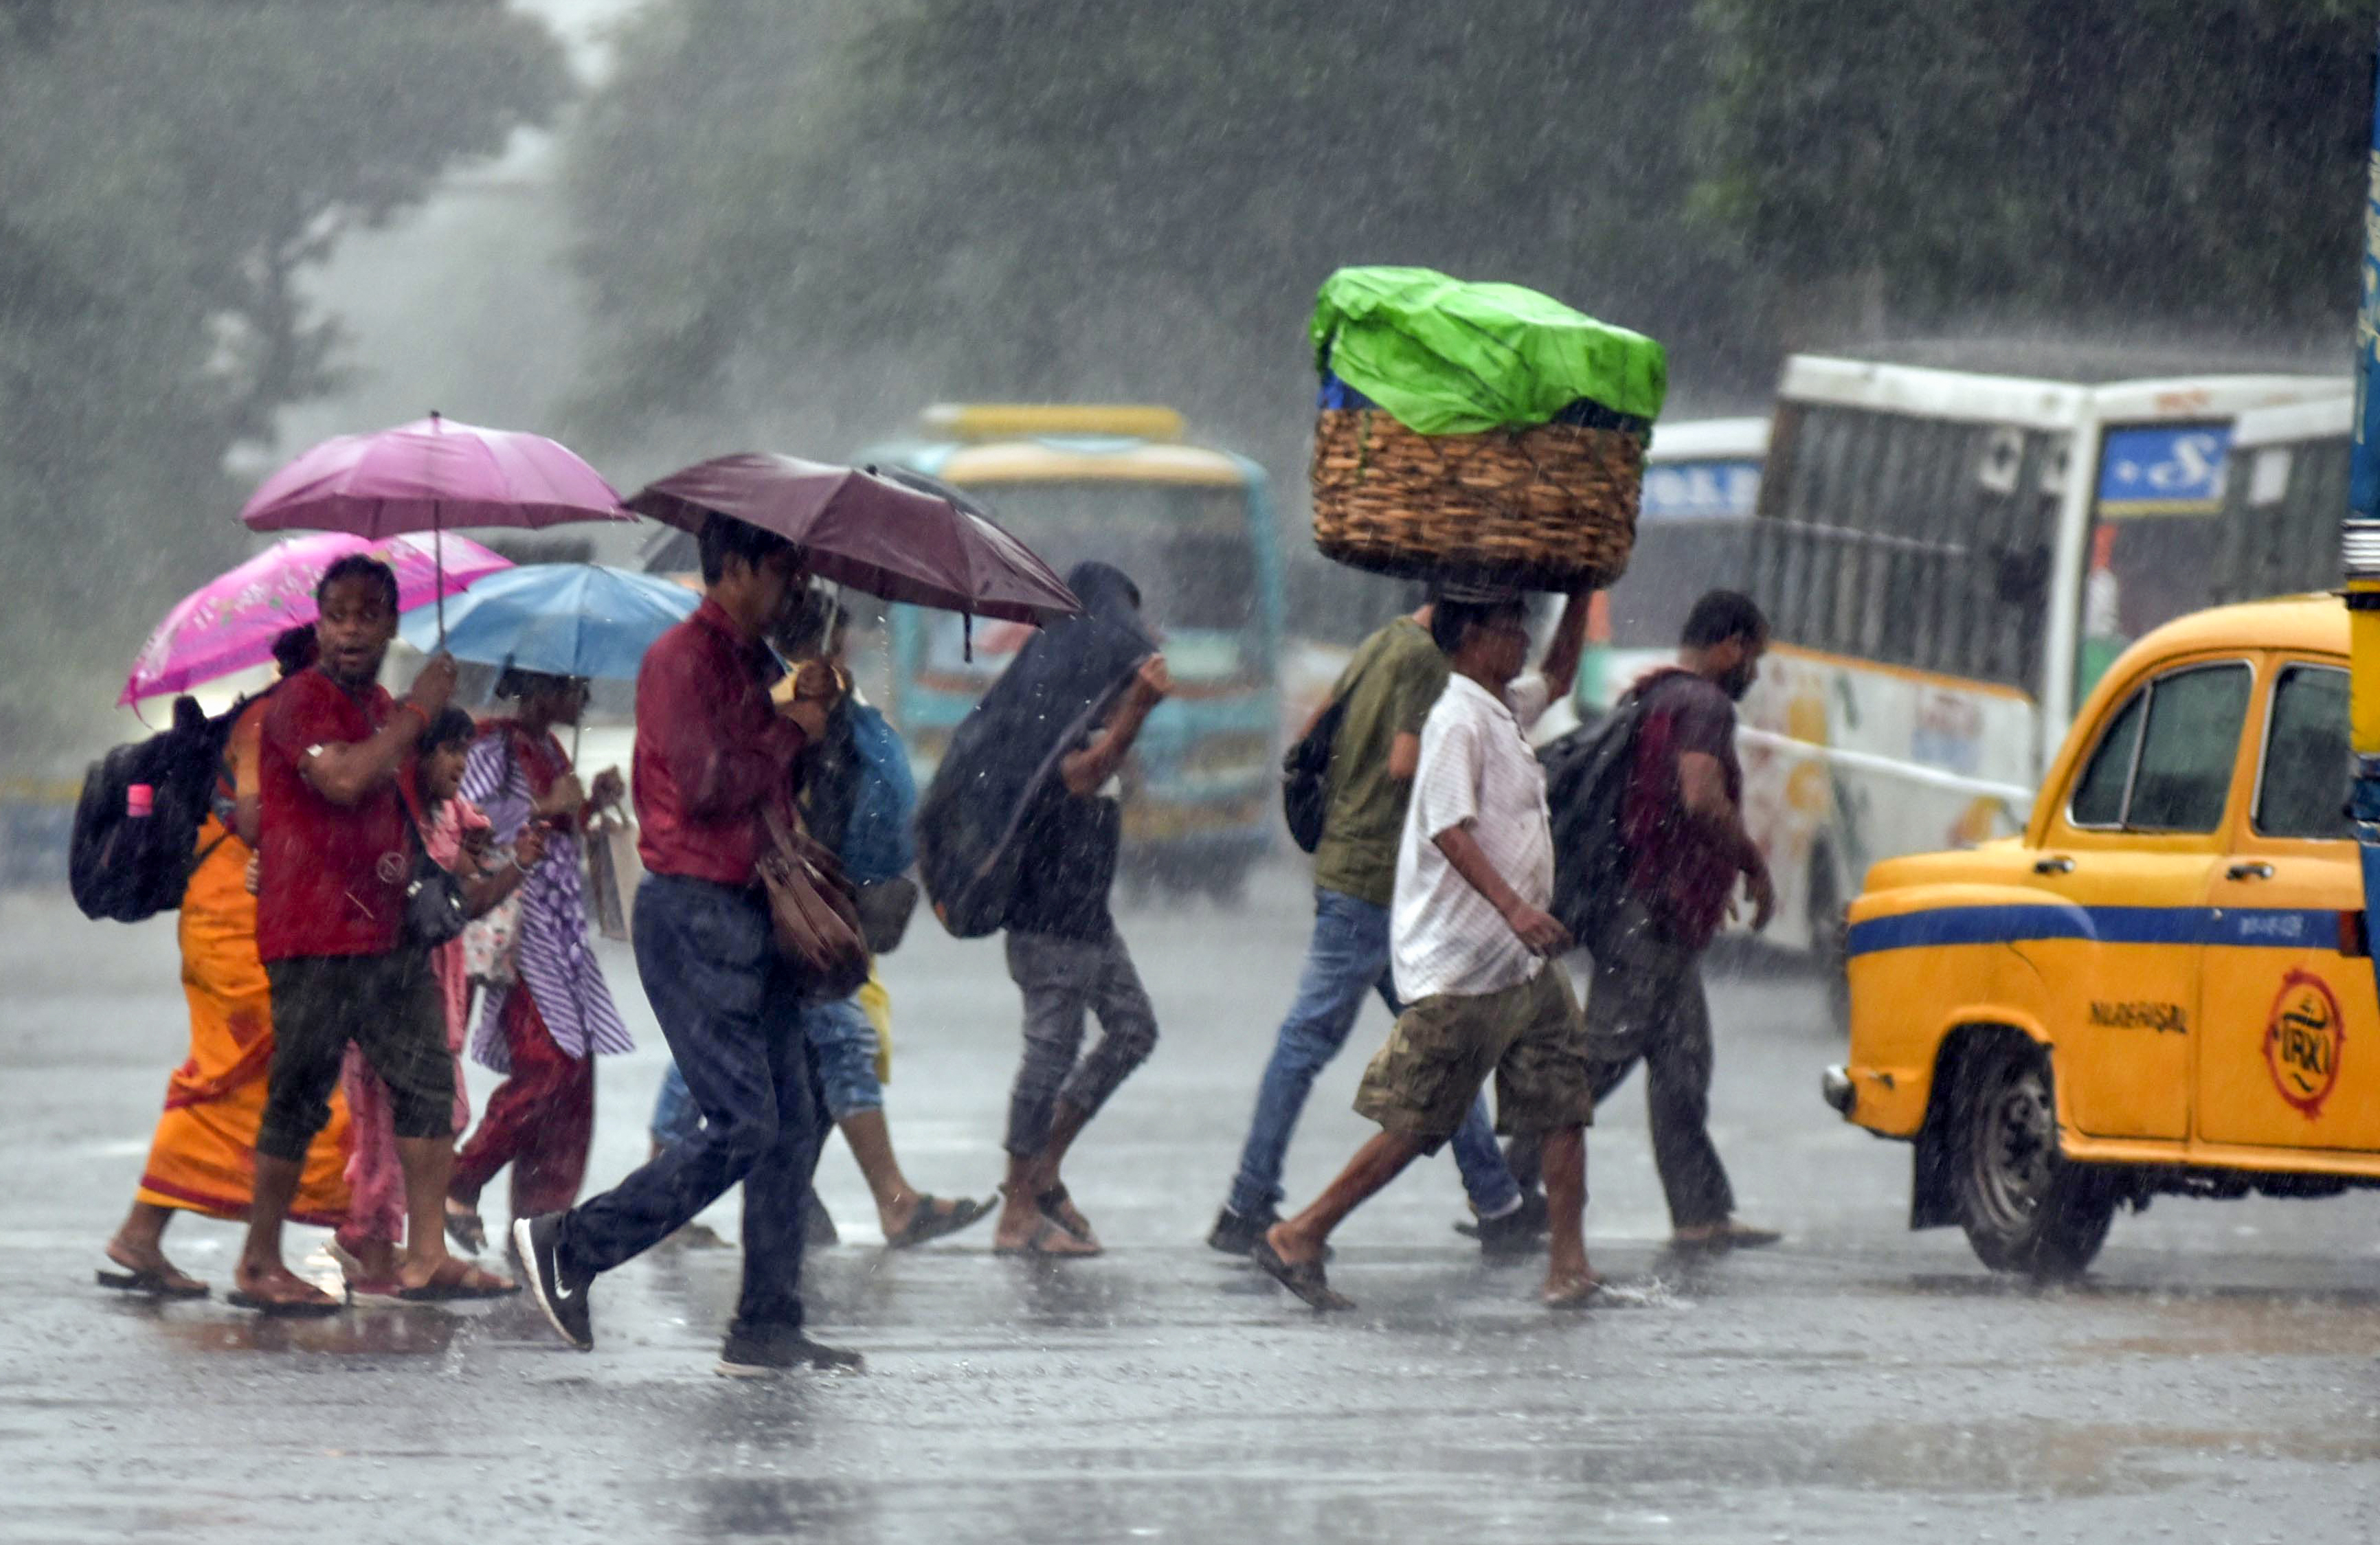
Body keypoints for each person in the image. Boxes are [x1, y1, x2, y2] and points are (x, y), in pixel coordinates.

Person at [514, 512, 862, 1377]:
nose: (791, 589)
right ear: (734, 567)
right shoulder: (680, 660)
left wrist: (816, 709)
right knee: (744, 1122)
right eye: (780, 571)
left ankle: (767, 1323)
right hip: (695, 914)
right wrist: (792, 729)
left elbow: (777, 778)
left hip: (755, 906)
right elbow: (709, 782)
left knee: (794, 1119)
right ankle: (571, 1245)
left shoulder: (752, 664)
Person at [1209, 587, 1589, 1260]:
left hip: (1379, 880)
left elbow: (1318, 729)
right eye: (1509, 621)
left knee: (1450, 1046)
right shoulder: (1429, 668)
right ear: (1466, 620)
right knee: (1321, 1041)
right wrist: (1473, 793)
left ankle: (1498, 1201)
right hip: (1374, 883)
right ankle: (1251, 1203)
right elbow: (1406, 764)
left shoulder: (1384, 642)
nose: (1521, 634)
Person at [647, 589, 990, 1249]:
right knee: (827, 1037)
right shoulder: (765, 710)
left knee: (734, 1040)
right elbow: (742, 799)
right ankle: (890, 1200)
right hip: (761, 907)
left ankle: (681, 1190)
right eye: (832, 647)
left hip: (795, 908)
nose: (841, 660)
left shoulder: (830, 719)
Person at [232, 556, 513, 1312]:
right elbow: (345, 777)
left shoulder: (382, 704)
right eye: (337, 615)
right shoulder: (300, 700)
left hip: (386, 932)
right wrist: (420, 712)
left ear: (392, 623)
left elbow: (400, 794)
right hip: (314, 934)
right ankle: (259, 1260)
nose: (351, 631)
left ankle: (426, 1255)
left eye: (366, 615)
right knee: (299, 1095)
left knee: (427, 1084)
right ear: (320, 623)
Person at [99, 625, 352, 1298]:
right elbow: (257, 819)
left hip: (254, 916)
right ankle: (351, 1237)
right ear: (308, 664)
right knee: (259, 1074)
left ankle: (145, 1233)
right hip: (235, 921)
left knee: (247, 1078)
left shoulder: (296, 719)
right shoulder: (270, 719)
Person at [1544, 589, 1783, 1252]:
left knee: (1682, 1064)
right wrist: (1751, 862)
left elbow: (1654, 807)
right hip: (1648, 917)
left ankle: (1700, 1213)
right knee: (1600, 1059)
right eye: (1753, 656)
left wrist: (1706, 873)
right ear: (1730, 646)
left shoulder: (1653, 695)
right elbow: (1700, 795)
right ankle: (1505, 1190)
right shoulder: (1705, 705)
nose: (1753, 672)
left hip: (1654, 911)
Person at [335, 708, 545, 1294]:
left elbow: (461, 905)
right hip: (387, 983)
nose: (460, 764)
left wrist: (517, 862)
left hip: (437, 988)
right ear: (415, 756)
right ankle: (376, 1247)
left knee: (439, 1113)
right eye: (448, 750)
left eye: (464, 751)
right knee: (383, 1124)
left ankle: (413, 1248)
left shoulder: (453, 817)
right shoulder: (392, 814)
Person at [442, 669, 634, 1254]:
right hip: (523, 935)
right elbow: (467, 821)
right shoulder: (494, 747)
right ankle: (462, 1176)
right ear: (541, 687)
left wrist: (588, 803)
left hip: (562, 932)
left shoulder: (548, 746)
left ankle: (542, 1226)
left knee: (574, 1081)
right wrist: (549, 804)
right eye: (575, 687)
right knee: (548, 1065)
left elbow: (556, 828)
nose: (584, 699)